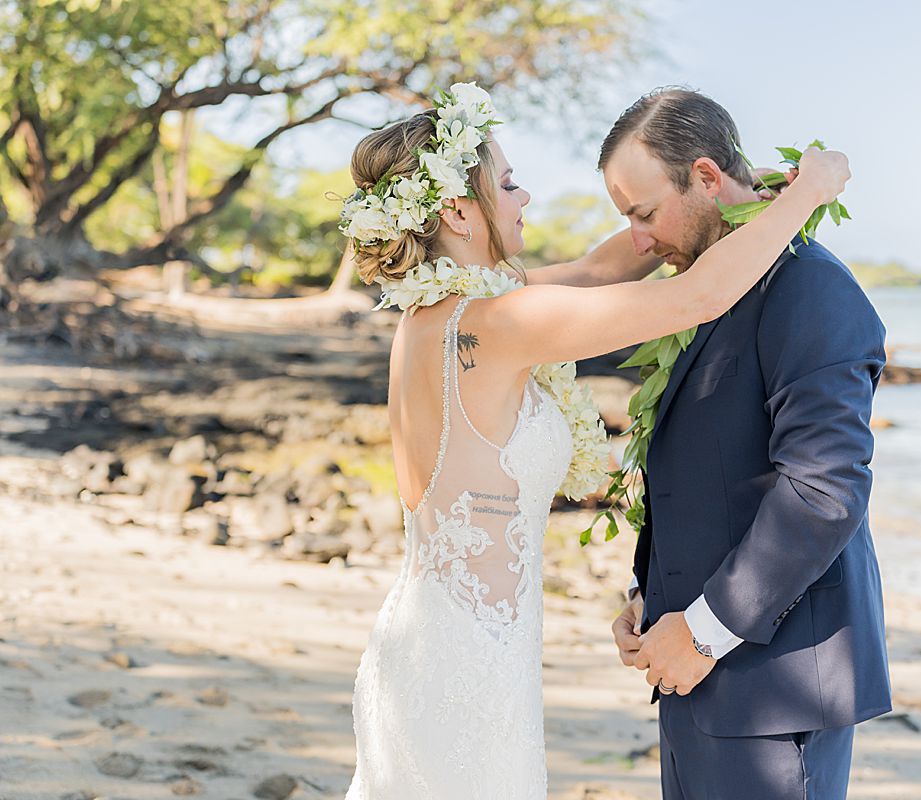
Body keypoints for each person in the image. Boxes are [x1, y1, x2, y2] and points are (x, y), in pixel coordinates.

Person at [340, 83, 850, 798]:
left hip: (430, 636)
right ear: (458, 209)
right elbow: (696, 297)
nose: (524, 198)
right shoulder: (500, 320)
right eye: (508, 183)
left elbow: (602, 270)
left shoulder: (435, 315)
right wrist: (811, 191)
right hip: (466, 657)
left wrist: (735, 193)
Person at [603, 88, 892, 799]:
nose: (637, 243)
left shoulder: (810, 291)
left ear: (706, 176)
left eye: (644, 214)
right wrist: (653, 593)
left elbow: (823, 493)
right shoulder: (705, 288)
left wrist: (703, 630)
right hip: (690, 672)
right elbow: (710, 466)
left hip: (775, 690)